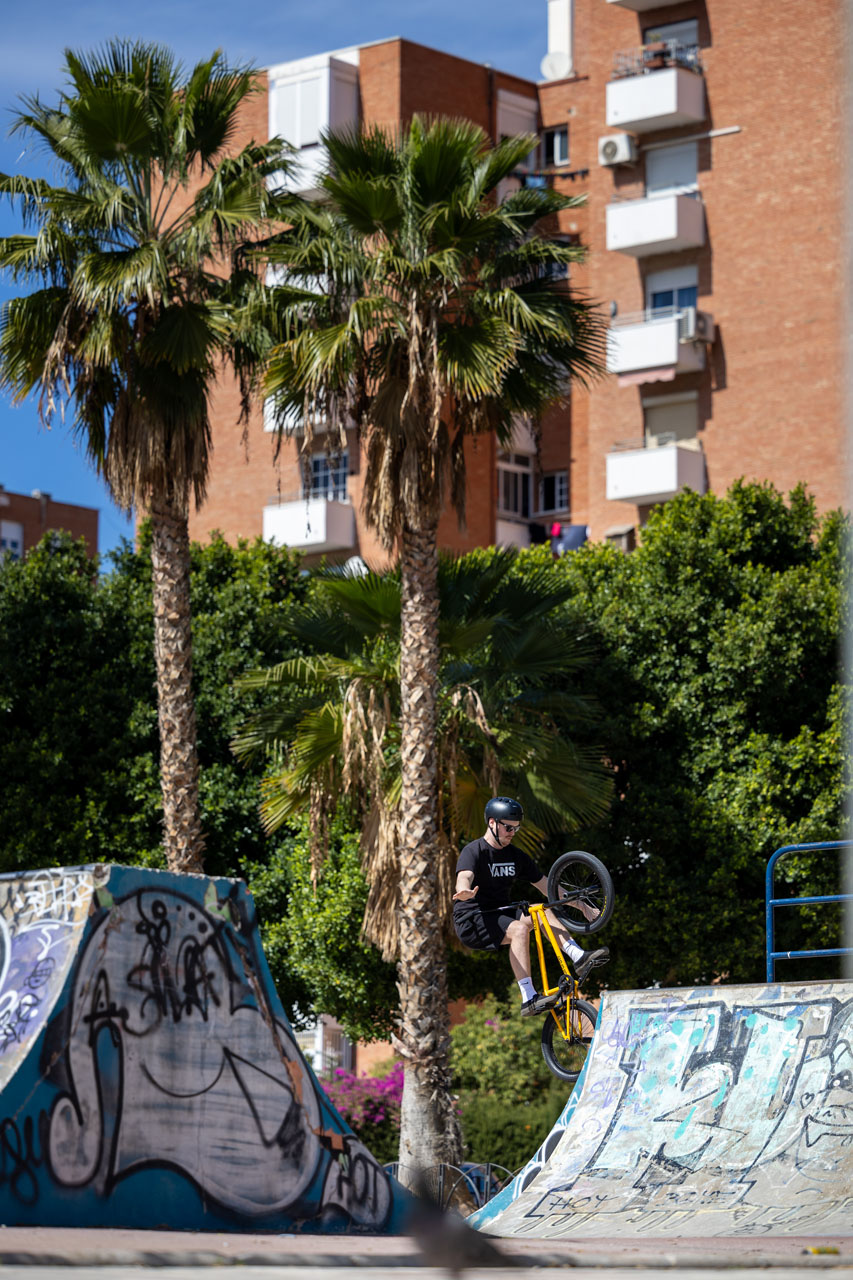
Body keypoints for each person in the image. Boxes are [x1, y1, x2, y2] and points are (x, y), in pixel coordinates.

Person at [452, 796, 609, 1016]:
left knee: (541, 910)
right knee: (519, 929)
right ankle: (529, 998)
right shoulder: (474, 850)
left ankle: (578, 957)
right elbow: (465, 875)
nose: (511, 833)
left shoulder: (515, 856)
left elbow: (547, 886)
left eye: (516, 828)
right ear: (491, 823)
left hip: (500, 913)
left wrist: (581, 905)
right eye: (507, 827)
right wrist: (464, 891)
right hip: (472, 920)